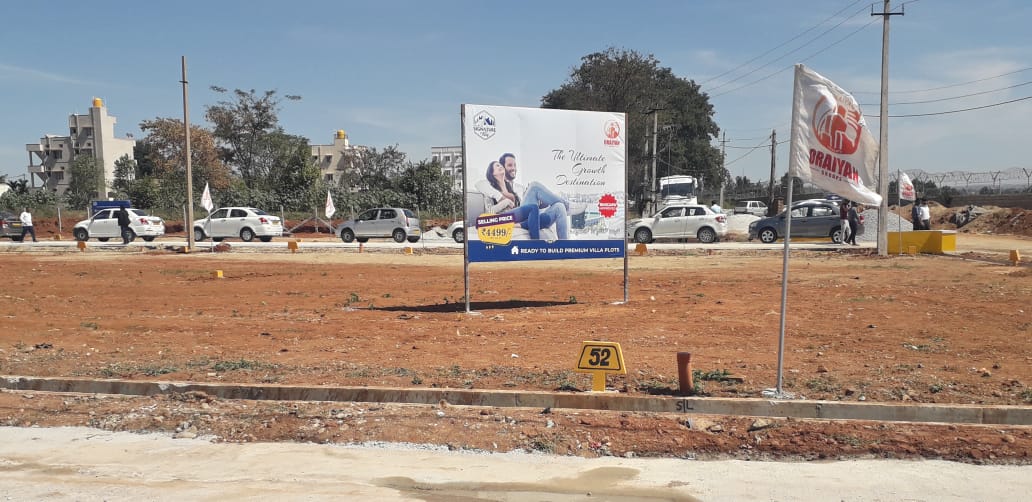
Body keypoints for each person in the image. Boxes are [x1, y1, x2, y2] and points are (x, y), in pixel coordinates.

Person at [475, 153, 572, 240]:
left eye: (501, 165)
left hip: (526, 219)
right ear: (492, 172)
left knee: (559, 207)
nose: (500, 166)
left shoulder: (513, 188)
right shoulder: (490, 188)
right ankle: (569, 206)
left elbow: (528, 209)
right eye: (497, 165)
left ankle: (564, 246)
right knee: (534, 186)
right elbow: (489, 212)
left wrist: (541, 203)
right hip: (507, 218)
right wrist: (504, 201)